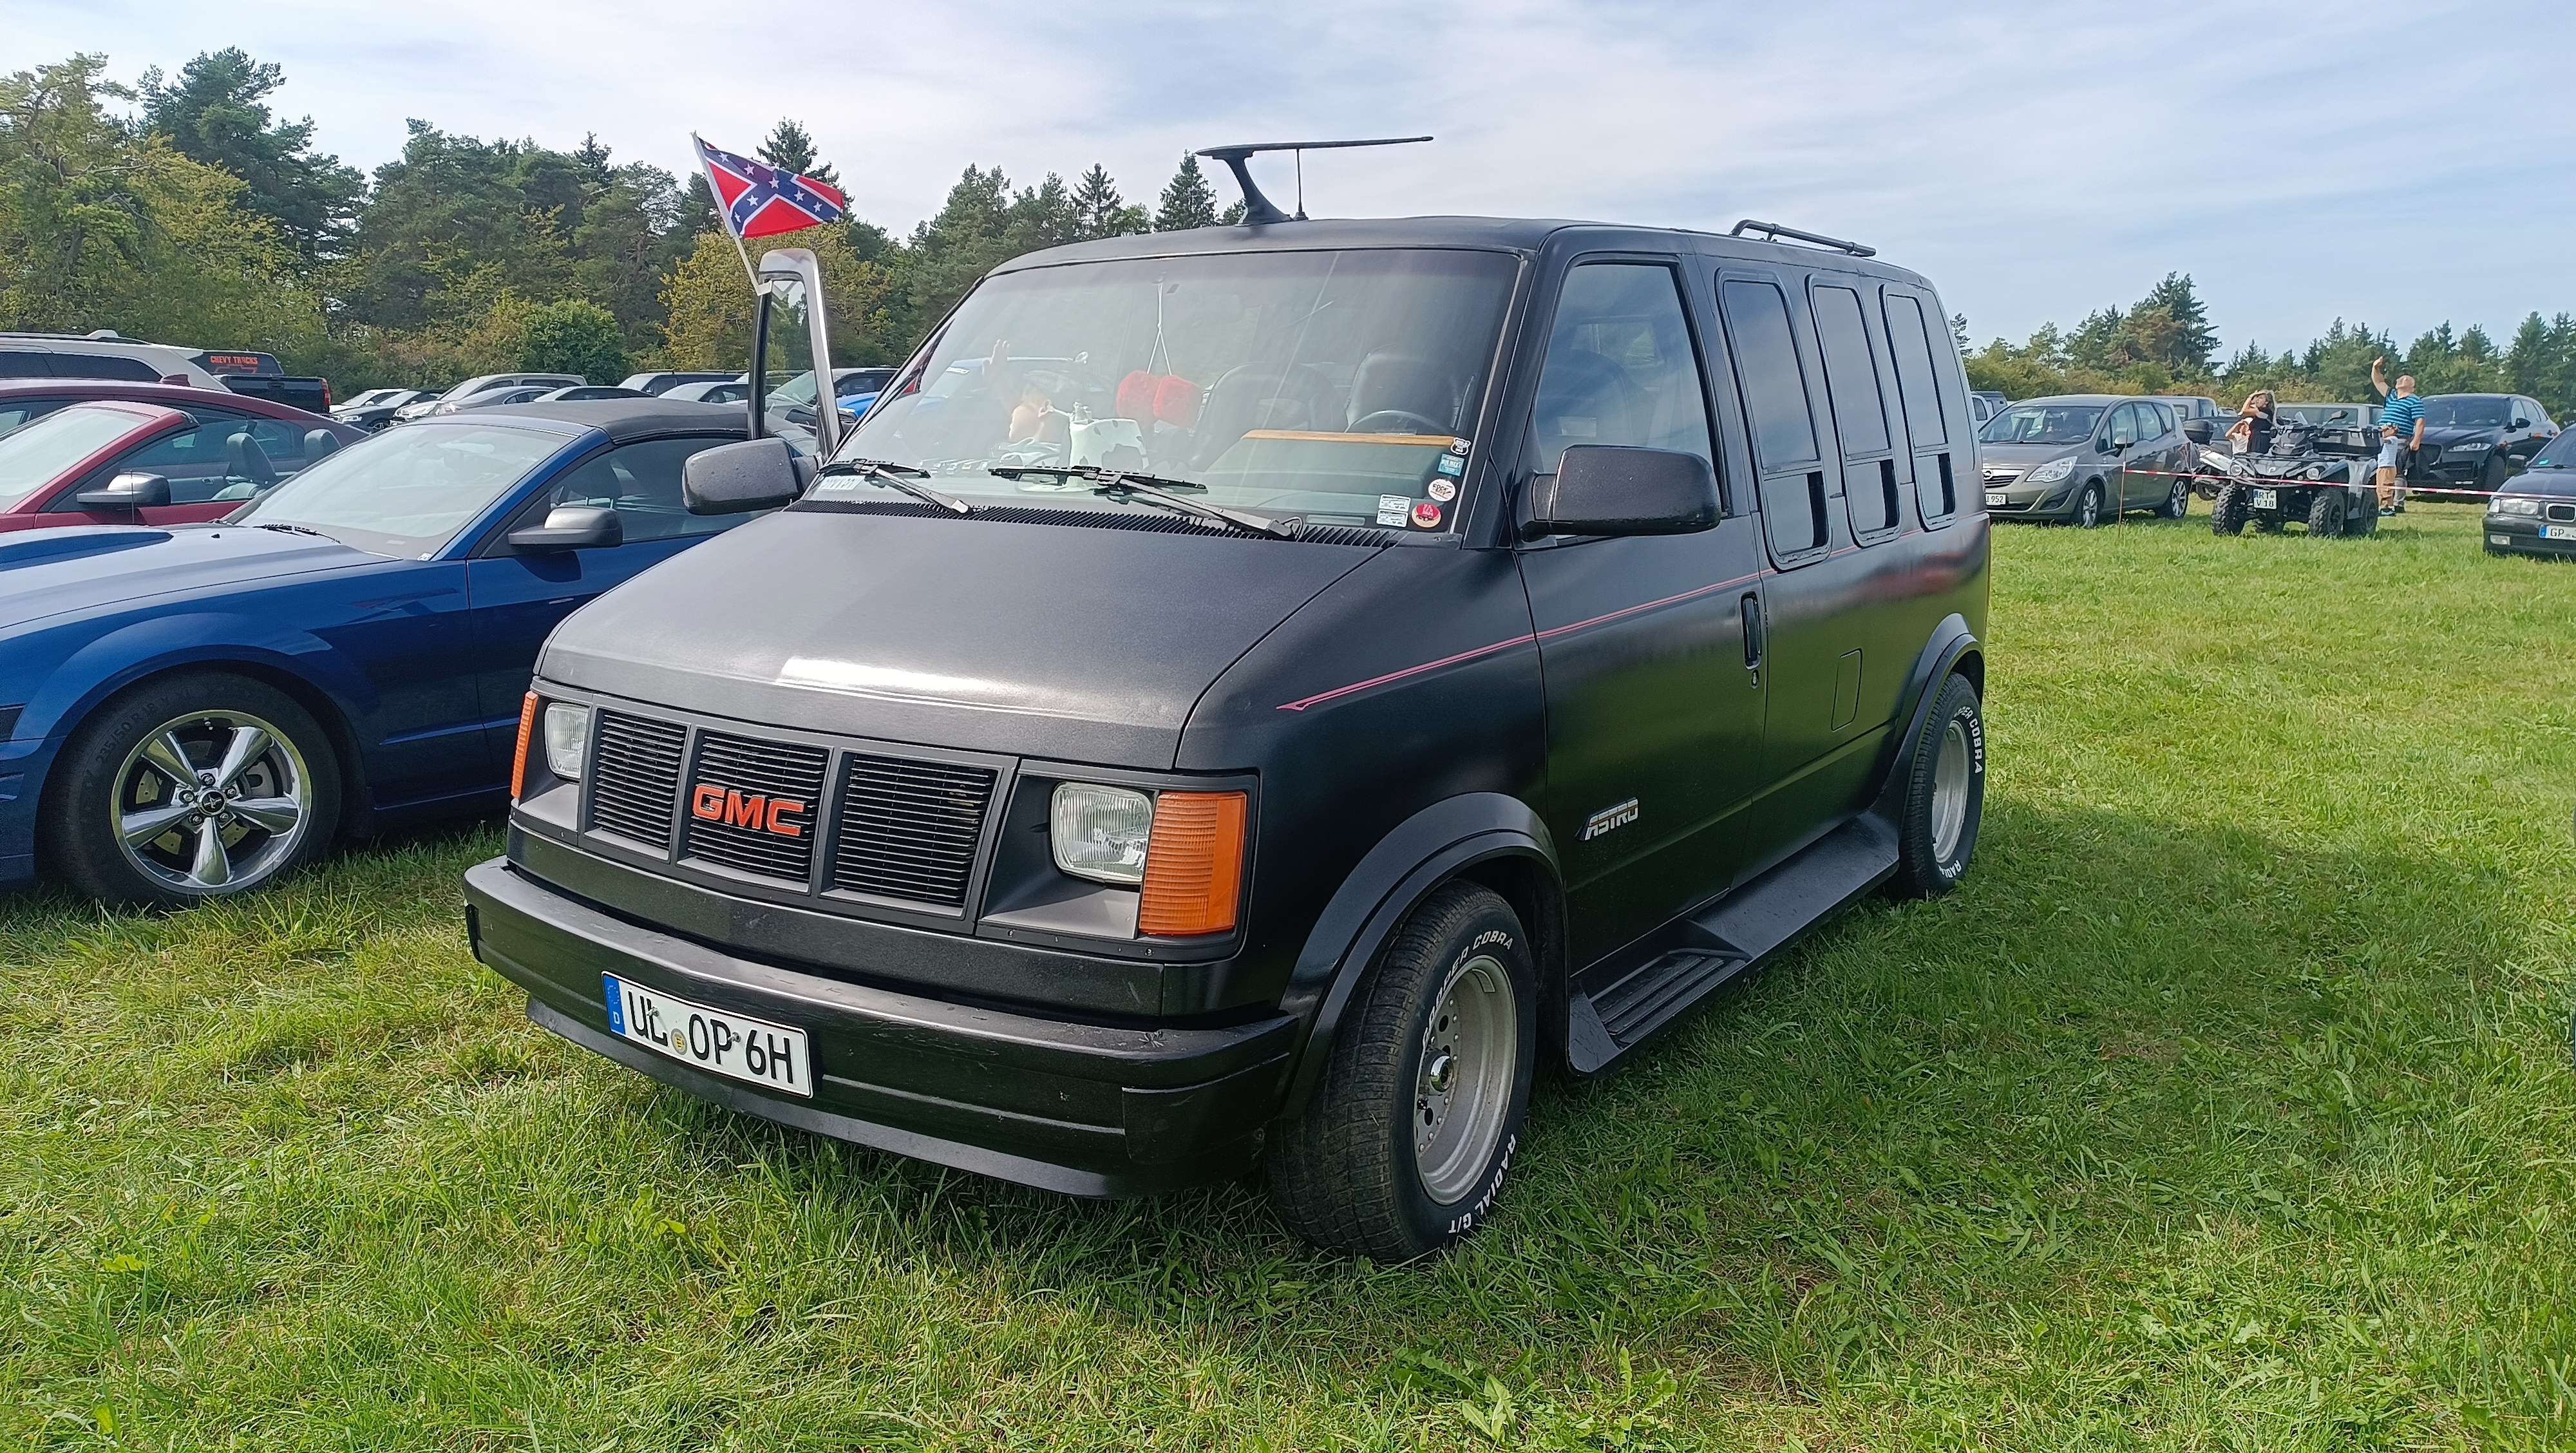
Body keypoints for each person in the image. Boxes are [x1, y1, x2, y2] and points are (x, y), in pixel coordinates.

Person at [2371, 357, 2423, 515]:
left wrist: (2416, 440)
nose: (2404, 378)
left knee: (2397, 470)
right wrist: (2375, 368)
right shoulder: (2391, 396)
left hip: (2400, 437)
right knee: (2383, 468)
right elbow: (2378, 382)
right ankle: (2385, 501)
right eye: (2402, 378)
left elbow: (2420, 421)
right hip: (2383, 435)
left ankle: (2397, 503)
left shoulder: (2414, 401)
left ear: (2412, 388)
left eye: (2408, 379)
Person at [2227, 390, 2277, 456]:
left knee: (2256, 458)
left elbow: (2244, 410)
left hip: (2260, 440)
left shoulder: (2265, 411)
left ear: (2267, 402)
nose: (2258, 400)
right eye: (2257, 398)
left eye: (2261, 398)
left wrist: (2251, 397)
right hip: (2255, 439)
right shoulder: (2259, 411)